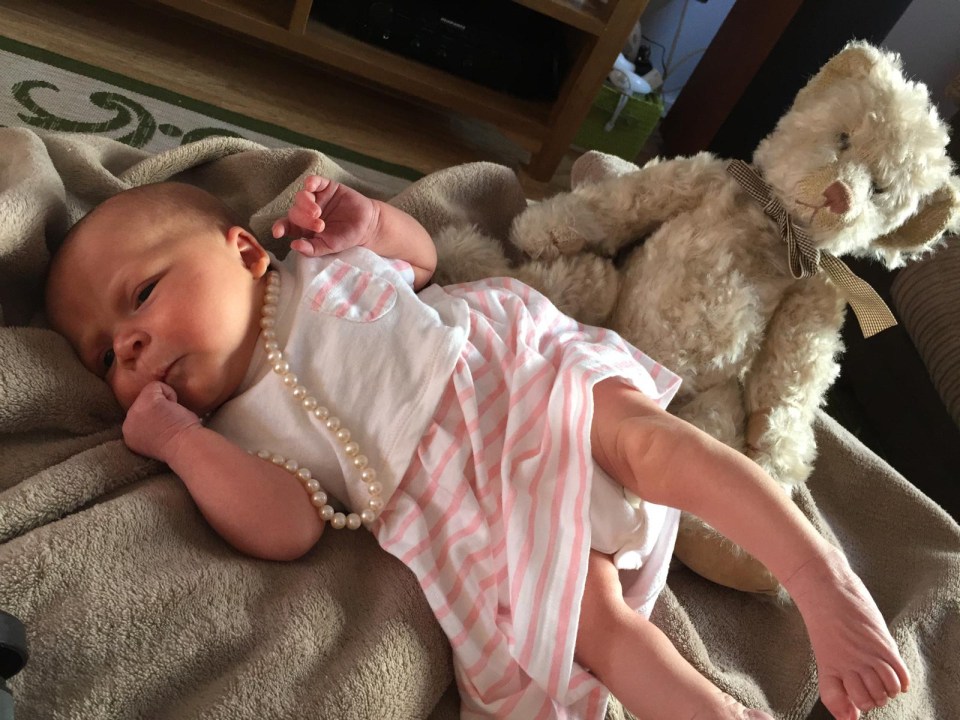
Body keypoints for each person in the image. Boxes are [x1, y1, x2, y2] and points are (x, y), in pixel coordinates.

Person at [45, 176, 909, 720]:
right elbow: (284, 528)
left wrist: (372, 221)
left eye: (143, 294)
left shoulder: (309, 263)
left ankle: (815, 577)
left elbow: (419, 264)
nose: (126, 344)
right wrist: (180, 444)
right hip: (463, 497)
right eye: (102, 353)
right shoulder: (232, 429)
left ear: (241, 250)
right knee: (590, 626)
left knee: (649, 441)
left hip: (507, 368)